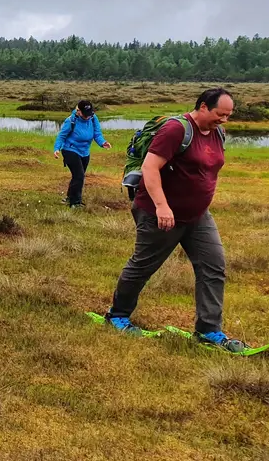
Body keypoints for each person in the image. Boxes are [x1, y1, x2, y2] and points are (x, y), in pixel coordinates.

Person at [103, 88, 250, 352]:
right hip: (160, 214)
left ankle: (208, 330)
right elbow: (150, 167)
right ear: (203, 106)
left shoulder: (217, 132)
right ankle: (117, 315)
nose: (224, 120)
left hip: (198, 216)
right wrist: (162, 206)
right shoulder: (176, 130)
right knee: (143, 266)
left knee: (213, 267)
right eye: (220, 114)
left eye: (229, 115)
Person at [52, 100, 111, 208]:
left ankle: (69, 197)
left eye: (89, 114)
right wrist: (57, 148)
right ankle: (75, 202)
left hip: (85, 152)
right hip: (70, 150)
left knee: (77, 176)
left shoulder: (93, 118)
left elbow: (97, 134)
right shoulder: (71, 121)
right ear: (78, 111)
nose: (88, 117)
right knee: (79, 176)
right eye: (85, 114)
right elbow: (62, 136)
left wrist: (103, 142)